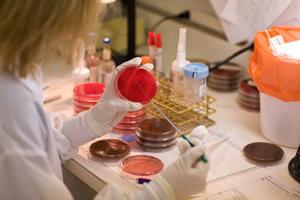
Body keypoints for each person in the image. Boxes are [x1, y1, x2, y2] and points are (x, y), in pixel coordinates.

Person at [0, 1, 209, 199]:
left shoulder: (16, 69)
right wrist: (162, 192)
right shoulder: (10, 101)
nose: (75, 33)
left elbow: (40, 141)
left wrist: (92, 121)